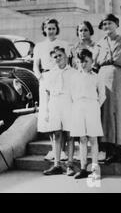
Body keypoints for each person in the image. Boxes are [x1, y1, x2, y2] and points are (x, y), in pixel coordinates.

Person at [94, 14, 121, 165]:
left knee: (120, 115)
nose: (106, 27)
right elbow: (94, 66)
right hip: (102, 81)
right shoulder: (99, 44)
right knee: (105, 116)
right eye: (104, 24)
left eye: (109, 23)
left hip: (119, 81)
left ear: (116, 25)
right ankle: (109, 151)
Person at [33, 19, 71, 161]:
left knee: (62, 114)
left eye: (53, 28)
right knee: (48, 115)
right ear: (44, 30)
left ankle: (64, 150)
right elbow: (35, 65)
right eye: (48, 28)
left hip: (61, 78)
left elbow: (69, 62)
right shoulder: (39, 46)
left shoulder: (64, 44)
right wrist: (41, 78)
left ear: (57, 29)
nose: (50, 31)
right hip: (46, 79)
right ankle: (54, 149)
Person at [69, 21, 105, 162]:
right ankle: (83, 161)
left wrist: (95, 104)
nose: (82, 33)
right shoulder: (74, 48)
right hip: (79, 83)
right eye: (80, 31)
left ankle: (97, 155)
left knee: (93, 131)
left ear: (90, 31)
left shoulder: (96, 47)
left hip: (93, 85)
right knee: (81, 133)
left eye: (85, 30)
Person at [71, 49, 106, 180]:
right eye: (81, 61)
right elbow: (72, 94)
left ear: (92, 61)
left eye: (86, 61)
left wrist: (95, 106)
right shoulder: (75, 77)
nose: (83, 64)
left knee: (93, 138)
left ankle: (95, 169)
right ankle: (83, 168)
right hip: (78, 107)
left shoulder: (96, 77)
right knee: (82, 139)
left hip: (92, 107)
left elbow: (102, 95)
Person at [42, 47, 77, 176]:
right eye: (55, 56)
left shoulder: (73, 72)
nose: (58, 58)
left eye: (60, 55)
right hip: (55, 105)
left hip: (69, 104)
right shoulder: (51, 73)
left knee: (70, 135)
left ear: (66, 56)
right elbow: (47, 93)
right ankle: (57, 164)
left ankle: (70, 165)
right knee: (57, 134)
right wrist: (46, 111)